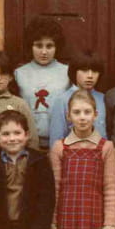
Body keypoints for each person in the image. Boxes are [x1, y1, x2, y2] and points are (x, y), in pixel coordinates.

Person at [49, 89, 115, 229]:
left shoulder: (105, 147)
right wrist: (53, 226)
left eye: (87, 112)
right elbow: (55, 191)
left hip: (94, 219)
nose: (82, 117)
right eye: (77, 112)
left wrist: (109, 226)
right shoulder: (60, 147)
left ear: (96, 114)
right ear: (68, 116)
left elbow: (111, 190)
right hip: (66, 219)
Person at [14, 16, 71, 149]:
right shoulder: (19, 73)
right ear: (31, 46)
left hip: (61, 143)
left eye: (49, 46)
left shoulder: (68, 73)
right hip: (27, 144)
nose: (44, 52)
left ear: (57, 47)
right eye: (39, 46)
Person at [49, 49, 107, 147]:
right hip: (71, 154)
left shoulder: (103, 99)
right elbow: (56, 139)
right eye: (84, 70)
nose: (90, 76)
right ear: (74, 72)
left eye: (94, 71)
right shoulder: (62, 100)